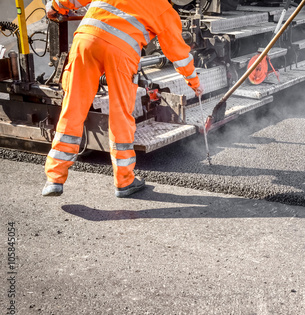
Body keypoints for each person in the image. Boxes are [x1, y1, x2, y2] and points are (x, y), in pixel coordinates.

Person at [43, 0, 203, 197]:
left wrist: (55, 6)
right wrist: (194, 82)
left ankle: (54, 178)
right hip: (121, 53)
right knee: (121, 114)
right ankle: (124, 181)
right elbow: (178, 53)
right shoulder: (163, 8)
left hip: (85, 42)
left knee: (72, 108)